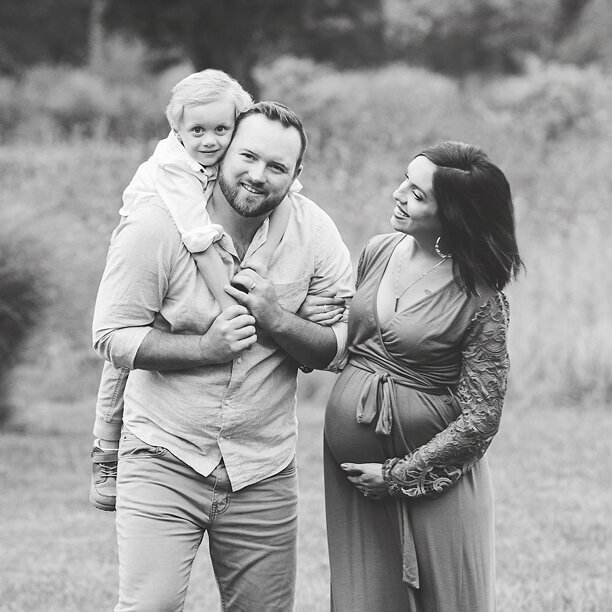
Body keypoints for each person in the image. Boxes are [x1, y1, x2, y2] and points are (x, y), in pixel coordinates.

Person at [92, 101, 353, 611]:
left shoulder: (315, 233)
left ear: (296, 175)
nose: (258, 176)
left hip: (263, 467)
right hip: (164, 452)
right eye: (248, 156)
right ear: (221, 151)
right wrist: (204, 348)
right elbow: (111, 335)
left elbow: (339, 346)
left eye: (277, 167)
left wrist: (277, 319)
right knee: (151, 606)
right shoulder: (157, 225)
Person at [323, 141, 523, 611]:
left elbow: (481, 418)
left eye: (416, 193)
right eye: (404, 181)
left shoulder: (480, 296)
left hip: (435, 485)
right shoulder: (378, 251)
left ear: (452, 214)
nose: (398, 194)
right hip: (355, 482)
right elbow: (352, 346)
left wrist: (396, 476)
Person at [90, 69, 300, 511]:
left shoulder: (242, 159)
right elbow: (197, 239)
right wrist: (232, 305)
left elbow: (288, 200)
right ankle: (106, 447)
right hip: (152, 241)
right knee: (125, 354)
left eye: (222, 130)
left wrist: (259, 260)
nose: (209, 141)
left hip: (192, 240)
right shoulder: (175, 169)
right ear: (176, 129)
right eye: (197, 131)